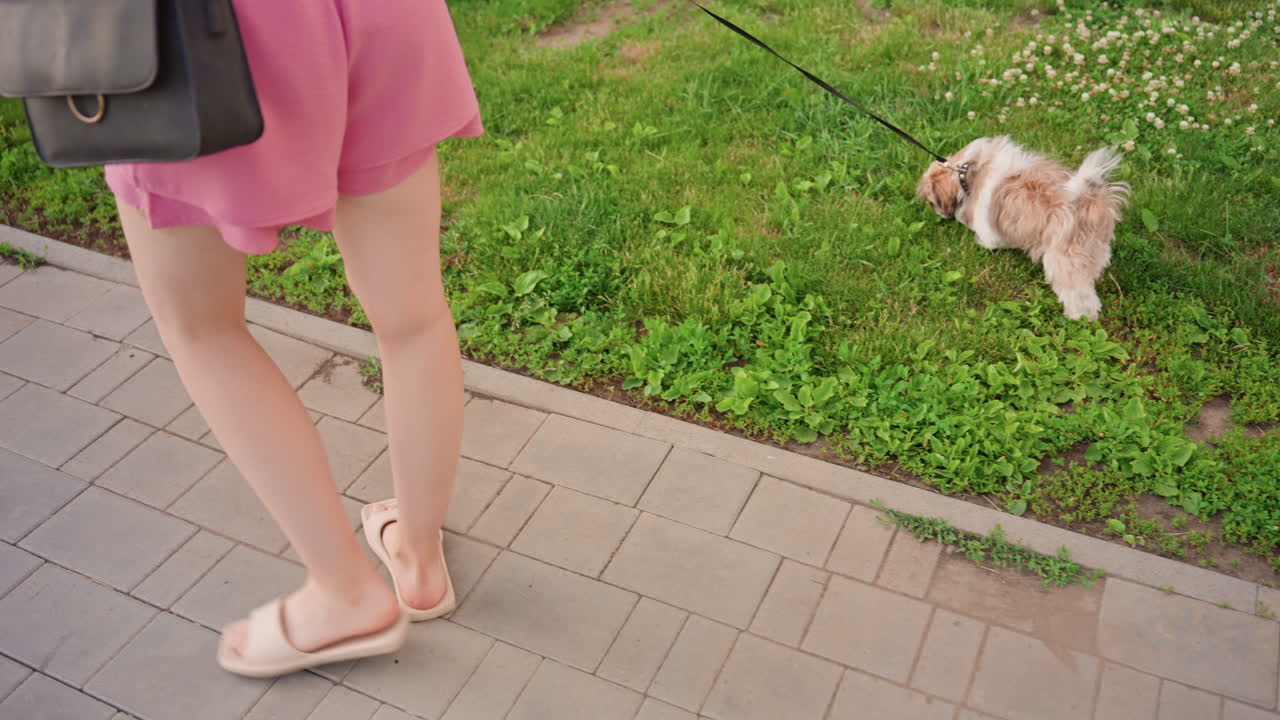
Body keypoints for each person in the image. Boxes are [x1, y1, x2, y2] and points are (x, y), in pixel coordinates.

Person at [104, 0, 482, 677]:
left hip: (206, 37)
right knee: (413, 313)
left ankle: (345, 592)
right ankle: (420, 564)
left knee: (202, 325)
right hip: (375, 16)